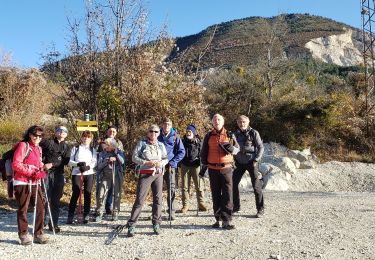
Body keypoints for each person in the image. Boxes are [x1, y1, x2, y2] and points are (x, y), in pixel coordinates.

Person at [126, 124, 168, 237]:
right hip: (145, 174)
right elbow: (134, 157)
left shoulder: (160, 145)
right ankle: (132, 224)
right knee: (140, 199)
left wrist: (161, 163)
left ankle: (156, 223)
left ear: (159, 133)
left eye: (156, 132)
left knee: (158, 200)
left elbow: (166, 158)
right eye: (151, 131)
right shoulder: (142, 143)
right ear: (147, 132)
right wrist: (145, 163)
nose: (153, 133)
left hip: (158, 174)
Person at [200, 114, 239, 230]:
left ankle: (226, 220)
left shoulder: (230, 134)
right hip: (212, 169)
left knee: (227, 194)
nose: (216, 121)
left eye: (219, 119)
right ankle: (218, 219)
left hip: (226, 168)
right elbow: (203, 152)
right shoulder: (208, 135)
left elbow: (237, 150)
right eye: (214, 120)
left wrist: (231, 148)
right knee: (215, 194)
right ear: (212, 122)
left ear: (223, 121)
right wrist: (203, 168)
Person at [12, 125, 48, 245]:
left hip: (35, 182)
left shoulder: (39, 148)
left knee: (41, 207)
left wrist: (41, 168)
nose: (37, 137)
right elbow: (16, 164)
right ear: (30, 134)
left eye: (40, 136)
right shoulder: (23, 145)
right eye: (35, 135)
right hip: (22, 182)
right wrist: (31, 172)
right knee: (23, 209)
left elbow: (37, 164)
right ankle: (23, 234)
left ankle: (38, 233)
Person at [40, 125, 71, 233]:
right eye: (59, 130)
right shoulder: (48, 143)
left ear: (66, 134)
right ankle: (41, 222)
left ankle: (53, 223)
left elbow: (65, 162)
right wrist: (41, 163)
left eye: (64, 131)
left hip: (59, 175)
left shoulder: (67, 147)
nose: (61, 132)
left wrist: (52, 163)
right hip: (46, 174)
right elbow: (38, 151)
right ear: (55, 132)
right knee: (44, 199)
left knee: (55, 201)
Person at [233, 115, 265, 217]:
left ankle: (260, 209)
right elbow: (231, 148)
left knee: (256, 186)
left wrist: (256, 159)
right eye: (240, 122)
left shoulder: (254, 133)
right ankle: (236, 207)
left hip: (252, 162)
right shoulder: (234, 134)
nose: (242, 124)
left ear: (248, 122)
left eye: (244, 122)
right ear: (237, 123)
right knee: (233, 184)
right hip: (239, 162)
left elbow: (260, 147)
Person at [157, 117, 185, 220]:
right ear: (162, 125)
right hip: (158, 166)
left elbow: (182, 151)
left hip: (170, 167)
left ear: (171, 126)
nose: (166, 126)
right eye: (165, 124)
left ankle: (171, 212)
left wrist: (173, 162)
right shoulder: (157, 134)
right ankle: (157, 213)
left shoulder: (175, 136)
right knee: (157, 189)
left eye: (168, 124)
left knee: (171, 189)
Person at [67, 131, 97, 224]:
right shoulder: (75, 148)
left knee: (87, 194)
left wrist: (88, 167)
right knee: (76, 192)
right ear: (81, 138)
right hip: (77, 173)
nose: (86, 138)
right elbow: (69, 161)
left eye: (88, 137)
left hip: (89, 173)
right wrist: (78, 164)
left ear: (91, 139)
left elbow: (94, 161)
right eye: (84, 136)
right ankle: (70, 215)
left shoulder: (92, 149)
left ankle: (86, 214)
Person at [177, 124, 207, 213]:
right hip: (185, 166)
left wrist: (203, 166)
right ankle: (185, 205)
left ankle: (201, 204)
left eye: (190, 132)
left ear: (193, 133)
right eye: (187, 131)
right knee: (185, 187)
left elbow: (202, 154)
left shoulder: (198, 142)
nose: (188, 133)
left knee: (199, 186)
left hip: (196, 166)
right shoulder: (182, 141)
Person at [95, 138, 125, 222]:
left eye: (108, 145)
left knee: (117, 194)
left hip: (117, 175)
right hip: (105, 176)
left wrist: (116, 156)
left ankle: (115, 212)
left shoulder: (119, 152)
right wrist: (107, 161)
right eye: (105, 144)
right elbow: (98, 167)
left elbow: (122, 162)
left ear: (113, 145)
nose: (106, 146)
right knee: (101, 194)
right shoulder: (102, 154)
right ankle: (99, 212)